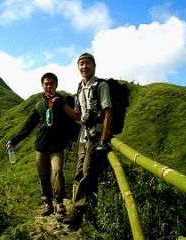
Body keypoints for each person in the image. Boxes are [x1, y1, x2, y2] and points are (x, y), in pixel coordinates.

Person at [6, 72, 72, 216]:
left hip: (57, 147)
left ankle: (59, 202)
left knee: (57, 172)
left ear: (56, 85)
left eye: (52, 83)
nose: (49, 86)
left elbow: (74, 119)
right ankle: (47, 203)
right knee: (43, 176)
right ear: (43, 86)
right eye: (46, 84)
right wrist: (13, 141)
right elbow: (28, 126)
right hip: (41, 147)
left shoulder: (63, 102)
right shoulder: (39, 105)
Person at [63, 52, 112, 227]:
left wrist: (103, 140)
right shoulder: (79, 88)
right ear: (78, 67)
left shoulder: (101, 85)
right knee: (78, 173)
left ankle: (78, 211)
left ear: (94, 65)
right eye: (81, 64)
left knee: (87, 172)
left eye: (87, 63)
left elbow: (107, 112)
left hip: (96, 136)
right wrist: (62, 106)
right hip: (83, 137)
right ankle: (85, 211)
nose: (84, 67)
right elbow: (78, 115)